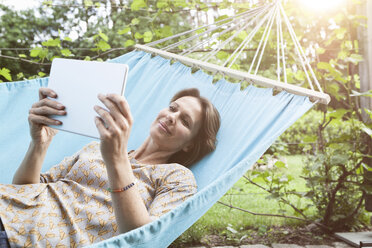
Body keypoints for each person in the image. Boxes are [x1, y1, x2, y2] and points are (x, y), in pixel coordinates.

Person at [0, 87, 220, 247]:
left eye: (185, 121)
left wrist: (115, 159)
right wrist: (40, 144)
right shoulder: (96, 147)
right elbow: (26, 188)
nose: (172, 117)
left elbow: (146, 239)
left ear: (191, 144)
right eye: (173, 108)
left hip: (24, 238)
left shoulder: (176, 177)